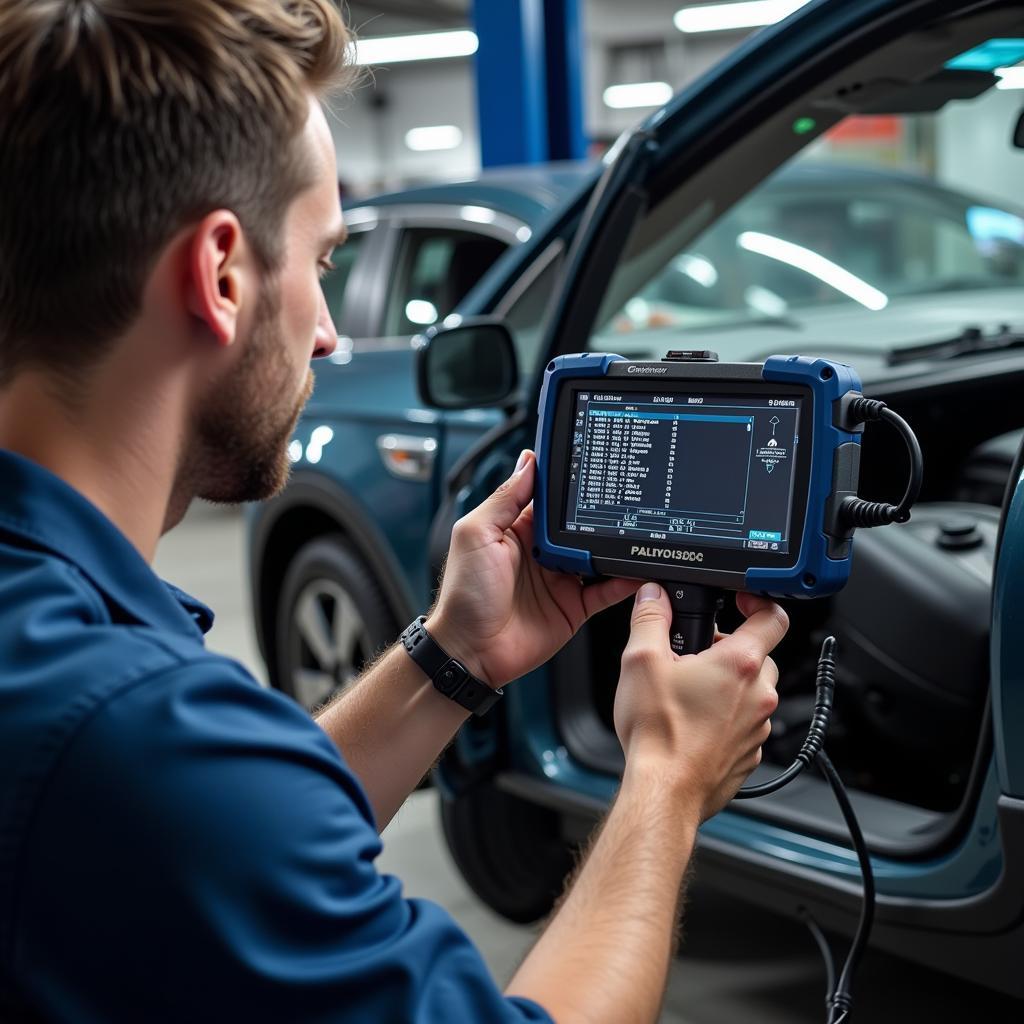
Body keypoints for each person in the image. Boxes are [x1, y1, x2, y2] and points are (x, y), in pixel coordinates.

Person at [0, 2, 787, 1021]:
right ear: (222, 273)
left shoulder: (65, 654)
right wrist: (668, 782)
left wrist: (452, 657)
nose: (329, 336)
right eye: (322, 261)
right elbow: (185, 799)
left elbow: (223, 836)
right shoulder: (129, 726)